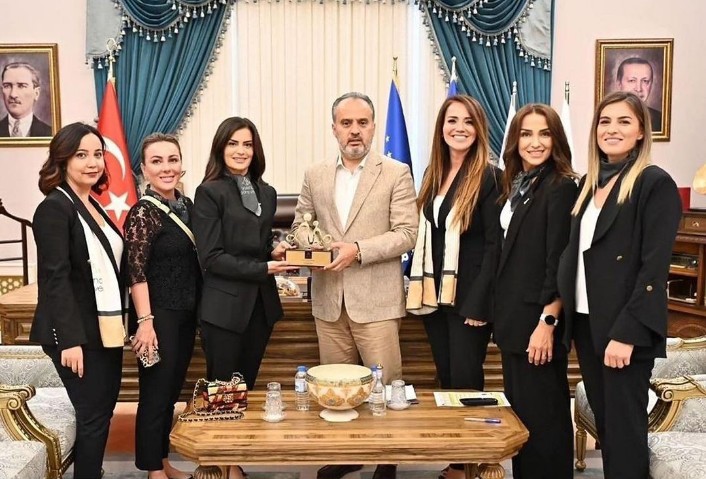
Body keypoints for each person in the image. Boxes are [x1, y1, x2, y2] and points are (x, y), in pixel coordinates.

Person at [292, 92, 417, 479]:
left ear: (374, 127)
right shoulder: (315, 174)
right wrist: (313, 244)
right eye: (346, 123)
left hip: (376, 302)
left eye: (362, 123)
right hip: (329, 302)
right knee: (336, 388)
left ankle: (386, 461)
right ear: (334, 129)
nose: (355, 131)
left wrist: (358, 250)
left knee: (384, 385)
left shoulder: (395, 172)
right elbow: (300, 225)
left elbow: (407, 233)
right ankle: (347, 455)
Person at [557, 91, 682, 479]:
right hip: (587, 323)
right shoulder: (587, 184)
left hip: (625, 329)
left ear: (641, 131)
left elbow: (653, 270)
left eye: (624, 121)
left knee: (625, 434)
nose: (612, 129)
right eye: (605, 121)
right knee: (609, 431)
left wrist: (626, 334)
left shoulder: (654, 183)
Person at [193, 117, 295, 479]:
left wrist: (274, 250)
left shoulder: (266, 192)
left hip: (260, 308)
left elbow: (257, 242)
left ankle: (231, 459)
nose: (240, 151)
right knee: (223, 392)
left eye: (247, 144)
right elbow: (212, 257)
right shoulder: (209, 192)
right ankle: (222, 464)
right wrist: (264, 267)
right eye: (233, 143)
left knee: (244, 389)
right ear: (221, 148)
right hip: (224, 309)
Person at [406, 94, 501, 479]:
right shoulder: (434, 172)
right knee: (447, 378)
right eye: (451, 120)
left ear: (479, 129)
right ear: (441, 128)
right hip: (436, 296)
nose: (459, 128)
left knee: (466, 380)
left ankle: (471, 462)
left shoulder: (490, 177)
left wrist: (480, 304)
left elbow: (495, 245)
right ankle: (458, 458)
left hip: (469, 299)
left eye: (467, 121)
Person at [30, 122, 125, 478]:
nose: (92, 162)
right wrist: (69, 340)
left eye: (98, 154)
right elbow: (54, 278)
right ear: (63, 159)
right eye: (81, 154)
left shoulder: (93, 204)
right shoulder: (54, 208)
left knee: (100, 413)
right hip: (76, 335)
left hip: (103, 329)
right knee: (93, 416)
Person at [491, 104, 578, 479]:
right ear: (515, 140)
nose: (535, 142)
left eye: (544, 133)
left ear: (556, 139)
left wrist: (547, 322)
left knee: (546, 423)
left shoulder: (561, 186)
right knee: (525, 422)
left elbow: (559, 262)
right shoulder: (519, 185)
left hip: (538, 324)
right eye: (526, 134)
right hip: (514, 322)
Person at [124, 133, 201, 479]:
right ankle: (153, 470)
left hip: (185, 314)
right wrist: (145, 322)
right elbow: (135, 271)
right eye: (157, 161)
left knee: (170, 394)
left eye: (172, 159)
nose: (166, 168)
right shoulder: (143, 212)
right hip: (157, 319)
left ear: (181, 164)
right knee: (155, 394)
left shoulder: (187, 206)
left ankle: (164, 462)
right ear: (144, 169)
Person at [0, 62, 52, 137]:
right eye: (7, 86)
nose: (13, 94)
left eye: (21, 86)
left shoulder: (50, 133)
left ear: (36, 93)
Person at [615, 57, 661, 132]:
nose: (639, 89)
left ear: (651, 84)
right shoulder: (607, 116)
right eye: (632, 81)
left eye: (645, 81)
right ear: (619, 84)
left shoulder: (659, 119)